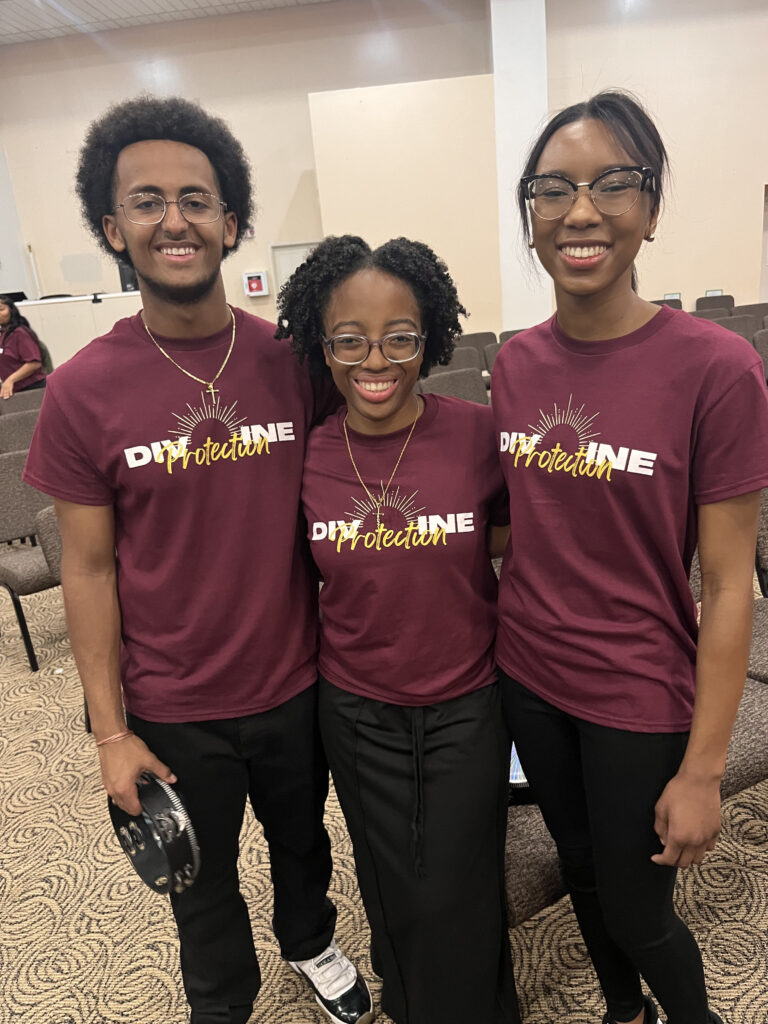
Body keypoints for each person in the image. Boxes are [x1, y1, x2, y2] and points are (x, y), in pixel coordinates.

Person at [23, 96, 373, 1024]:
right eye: (146, 201)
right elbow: (88, 573)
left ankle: (310, 940)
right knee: (198, 882)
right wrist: (110, 733)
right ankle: (222, 999)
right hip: (175, 702)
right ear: (112, 227)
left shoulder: (294, 361)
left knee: (304, 844)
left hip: (300, 680)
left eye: (194, 198)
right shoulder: (82, 393)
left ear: (231, 220)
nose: (173, 219)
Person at [491, 90, 768, 1024]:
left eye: (613, 183)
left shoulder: (718, 368)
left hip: (638, 689)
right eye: (552, 188)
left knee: (641, 908)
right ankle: (623, 1012)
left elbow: (731, 586)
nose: (580, 210)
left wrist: (701, 770)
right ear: (529, 214)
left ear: (650, 210)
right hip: (527, 671)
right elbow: (514, 527)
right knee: (579, 868)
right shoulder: (516, 365)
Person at [276, 234, 521, 1024]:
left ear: (432, 336)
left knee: (461, 880)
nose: (373, 359)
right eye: (349, 339)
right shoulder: (304, 456)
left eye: (399, 337)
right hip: (356, 708)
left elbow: (518, 536)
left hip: (467, 700)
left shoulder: (478, 433)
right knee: (393, 882)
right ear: (323, 344)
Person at [0, 295, 47, 397]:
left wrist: (10, 380)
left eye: (1, 309)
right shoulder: (3, 335)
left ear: (11, 311)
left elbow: (34, 363)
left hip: (33, 388)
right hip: (14, 391)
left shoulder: (20, 333)